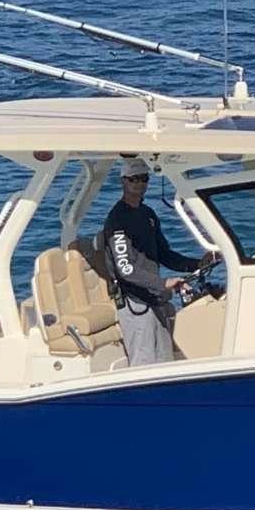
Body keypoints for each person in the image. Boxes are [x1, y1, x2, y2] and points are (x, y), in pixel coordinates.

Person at [99, 157, 211, 367]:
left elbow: (164, 254)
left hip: (153, 296)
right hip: (134, 302)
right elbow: (125, 269)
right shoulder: (116, 220)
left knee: (165, 361)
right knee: (143, 365)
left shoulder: (147, 214)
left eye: (144, 178)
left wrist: (197, 264)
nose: (140, 183)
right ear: (123, 181)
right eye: (134, 179)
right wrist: (163, 283)